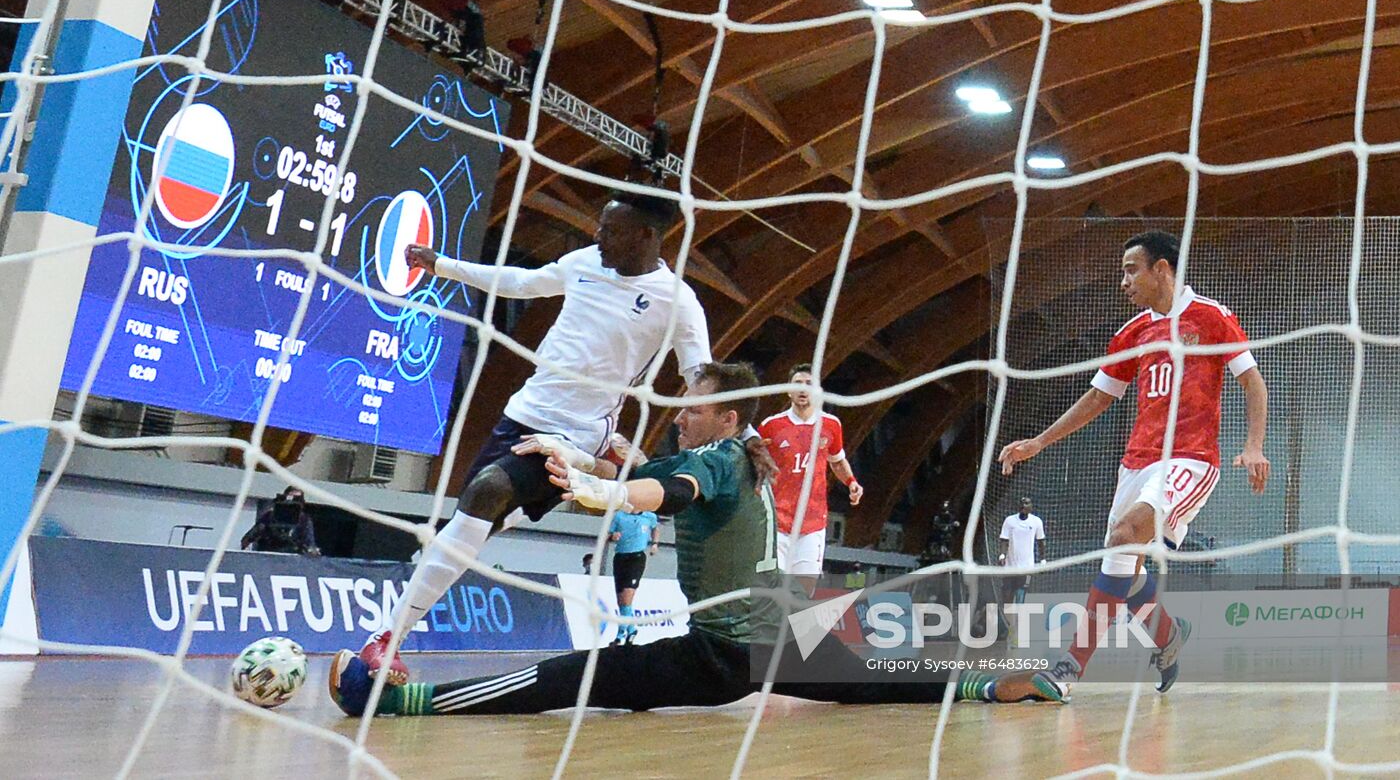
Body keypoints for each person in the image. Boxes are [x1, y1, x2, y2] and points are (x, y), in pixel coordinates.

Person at [330, 362, 1054, 717]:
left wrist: (604, 491)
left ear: (728, 414)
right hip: (781, 628)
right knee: (865, 678)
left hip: (725, 649)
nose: (679, 413)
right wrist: (586, 458)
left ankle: (401, 704)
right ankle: (991, 685)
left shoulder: (717, 459)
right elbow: (649, 470)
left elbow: (660, 492)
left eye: (692, 404)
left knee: (580, 677)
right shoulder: (733, 456)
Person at [359, 190, 712, 683]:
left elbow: (701, 374)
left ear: (647, 236)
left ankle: (385, 640)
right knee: (472, 525)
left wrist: (732, 427)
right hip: (519, 417)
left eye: (611, 230)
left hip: (575, 437)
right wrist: (442, 266)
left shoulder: (677, 301)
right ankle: (395, 628)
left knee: (486, 493)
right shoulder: (585, 263)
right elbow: (522, 282)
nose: (598, 236)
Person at [996, 230, 1269, 698]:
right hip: (1136, 464)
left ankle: (1066, 672)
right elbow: (1100, 396)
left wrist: (1255, 445)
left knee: (1124, 539)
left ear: (1161, 269)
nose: (1123, 281)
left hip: (1191, 459)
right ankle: (1168, 636)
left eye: (1130, 270)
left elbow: (1254, 384)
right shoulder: (1133, 332)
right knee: (1126, 566)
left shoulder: (1213, 317)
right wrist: (1039, 442)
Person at [758, 364, 862, 593]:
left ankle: (795, 628)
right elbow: (754, 461)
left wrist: (851, 482)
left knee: (804, 592)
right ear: (788, 390)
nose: (803, 389)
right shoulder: (771, 426)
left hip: (813, 523)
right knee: (773, 589)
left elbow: (836, 460)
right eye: (797, 384)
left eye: (809, 384)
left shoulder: (831, 425)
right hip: (777, 521)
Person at [608, 508, 660, 644]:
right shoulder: (619, 516)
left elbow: (655, 528)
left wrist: (654, 544)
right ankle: (632, 629)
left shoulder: (649, 516)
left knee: (626, 597)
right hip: (620, 557)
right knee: (621, 601)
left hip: (636, 558)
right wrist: (613, 536)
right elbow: (608, 534)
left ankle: (620, 635)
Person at [997, 497, 1046, 640]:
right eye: (1021, 503)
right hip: (1009, 568)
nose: (1023, 505)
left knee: (1020, 600)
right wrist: (1002, 555)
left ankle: (1016, 633)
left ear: (1031, 506)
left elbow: (1041, 542)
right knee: (1006, 599)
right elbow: (1004, 540)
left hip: (1026, 568)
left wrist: (1042, 560)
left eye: (1026, 503)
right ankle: (1011, 626)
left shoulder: (1036, 522)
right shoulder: (1009, 521)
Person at [240, 486, 319, 556]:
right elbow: (249, 537)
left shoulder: (304, 520)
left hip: (292, 559)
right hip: (268, 557)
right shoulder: (269, 516)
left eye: (296, 500)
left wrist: (312, 551)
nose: (291, 504)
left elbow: (310, 543)